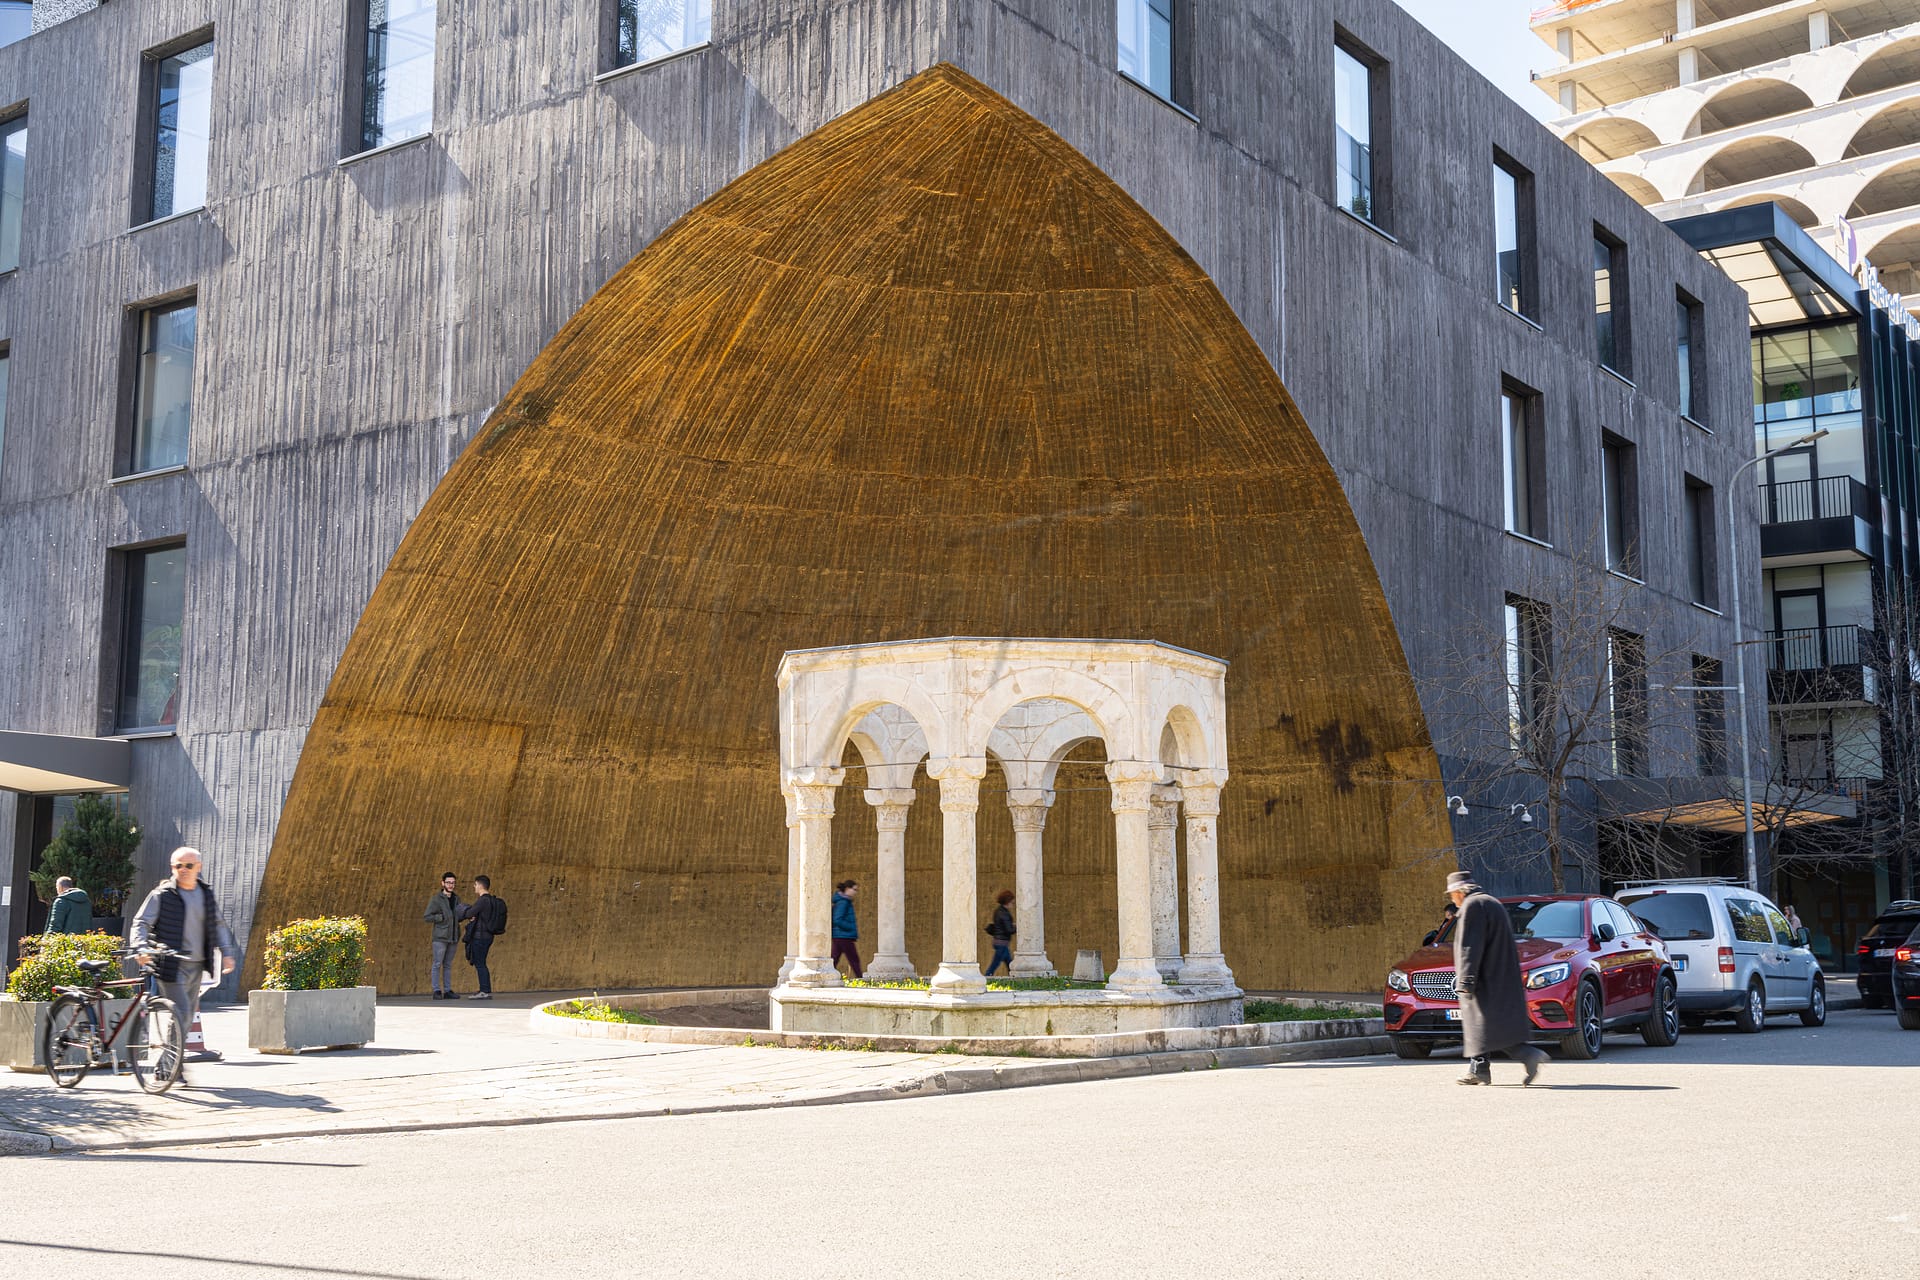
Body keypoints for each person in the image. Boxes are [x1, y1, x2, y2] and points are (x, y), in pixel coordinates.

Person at [129, 847, 238, 1071]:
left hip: (197, 965)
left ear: (199, 867)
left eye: (188, 865)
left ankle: (165, 1066)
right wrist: (141, 947)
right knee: (181, 1012)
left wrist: (227, 952)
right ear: (172, 868)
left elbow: (217, 925)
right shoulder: (162, 894)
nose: (183, 870)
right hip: (170, 964)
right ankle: (171, 1069)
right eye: (178, 866)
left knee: (185, 1017)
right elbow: (141, 922)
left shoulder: (205, 894)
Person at [1448, 870, 1545, 1087]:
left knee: (1485, 1025)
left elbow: (1469, 947)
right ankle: (1479, 1070)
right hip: (1499, 974)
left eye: (1452, 895)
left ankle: (1528, 1054)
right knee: (1483, 1025)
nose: (1452, 900)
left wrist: (1465, 980)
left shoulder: (1472, 906)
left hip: (1484, 977)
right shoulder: (1491, 902)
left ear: (1459, 892)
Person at [458, 875, 507, 1000]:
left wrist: (468, 912)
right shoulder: (491, 900)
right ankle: (484, 989)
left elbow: (469, 913)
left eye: (475, 884)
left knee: (480, 964)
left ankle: (484, 991)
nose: (474, 887)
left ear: (480, 885)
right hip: (488, 936)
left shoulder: (482, 900)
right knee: (482, 963)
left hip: (480, 937)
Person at [423, 871, 463, 999]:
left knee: (448, 964)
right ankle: (436, 990)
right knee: (437, 963)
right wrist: (441, 917)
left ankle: (447, 990)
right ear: (443, 883)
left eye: (453, 883)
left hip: (453, 935)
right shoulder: (436, 899)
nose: (451, 885)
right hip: (440, 936)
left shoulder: (457, 899)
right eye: (448, 882)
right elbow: (427, 916)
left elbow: (458, 915)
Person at [831, 880, 863, 978]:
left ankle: (825, 975)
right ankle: (860, 978)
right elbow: (837, 919)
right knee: (854, 960)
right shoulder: (843, 902)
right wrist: (850, 927)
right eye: (854, 889)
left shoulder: (844, 901)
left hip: (840, 935)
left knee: (834, 959)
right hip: (843, 935)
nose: (855, 892)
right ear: (847, 889)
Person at [985, 889, 1016, 976]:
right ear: (1007, 902)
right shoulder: (1004, 913)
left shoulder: (999, 911)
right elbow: (1009, 930)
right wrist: (1017, 927)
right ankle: (987, 977)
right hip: (1002, 942)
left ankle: (1013, 976)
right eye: (1012, 903)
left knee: (1009, 963)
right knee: (994, 965)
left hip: (999, 942)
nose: (1012, 905)